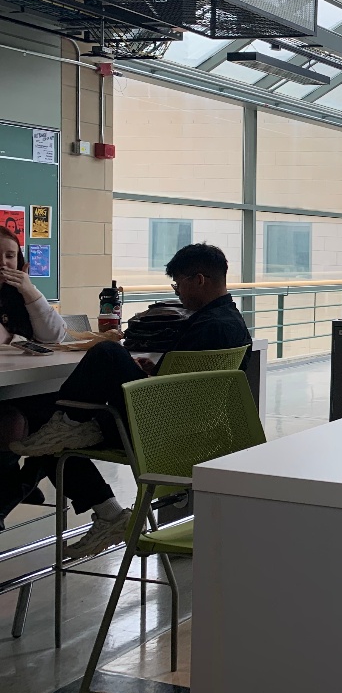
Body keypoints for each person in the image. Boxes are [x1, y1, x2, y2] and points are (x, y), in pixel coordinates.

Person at [7, 243, 251, 557]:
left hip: (156, 431)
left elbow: (172, 397)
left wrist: (149, 377)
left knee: (105, 354)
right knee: (50, 439)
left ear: (199, 280)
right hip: (190, 432)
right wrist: (154, 373)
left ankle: (61, 436)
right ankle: (102, 502)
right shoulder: (229, 322)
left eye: (178, 284)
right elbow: (189, 387)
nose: (177, 293)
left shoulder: (208, 326)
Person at [0, 226, 68, 528]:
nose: (3, 262)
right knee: (15, 423)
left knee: (61, 421)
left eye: (10, 256)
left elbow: (56, 337)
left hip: (25, 387)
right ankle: (16, 489)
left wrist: (31, 291)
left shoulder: (20, 294)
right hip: (7, 392)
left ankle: (16, 489)